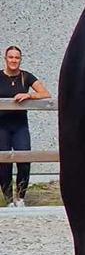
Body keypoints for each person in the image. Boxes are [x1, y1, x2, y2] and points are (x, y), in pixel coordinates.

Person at [0, 45, 51, 207]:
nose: (14, 60)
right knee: (4, 162)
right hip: (2, 127)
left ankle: (21, 198)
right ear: (5, 59)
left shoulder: (26, 76)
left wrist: (29, 95)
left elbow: (45, 94)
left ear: (20, 59)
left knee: (24, 160)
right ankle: (8, 199)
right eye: (11, 57)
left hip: (20, 126)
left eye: (17, 57)